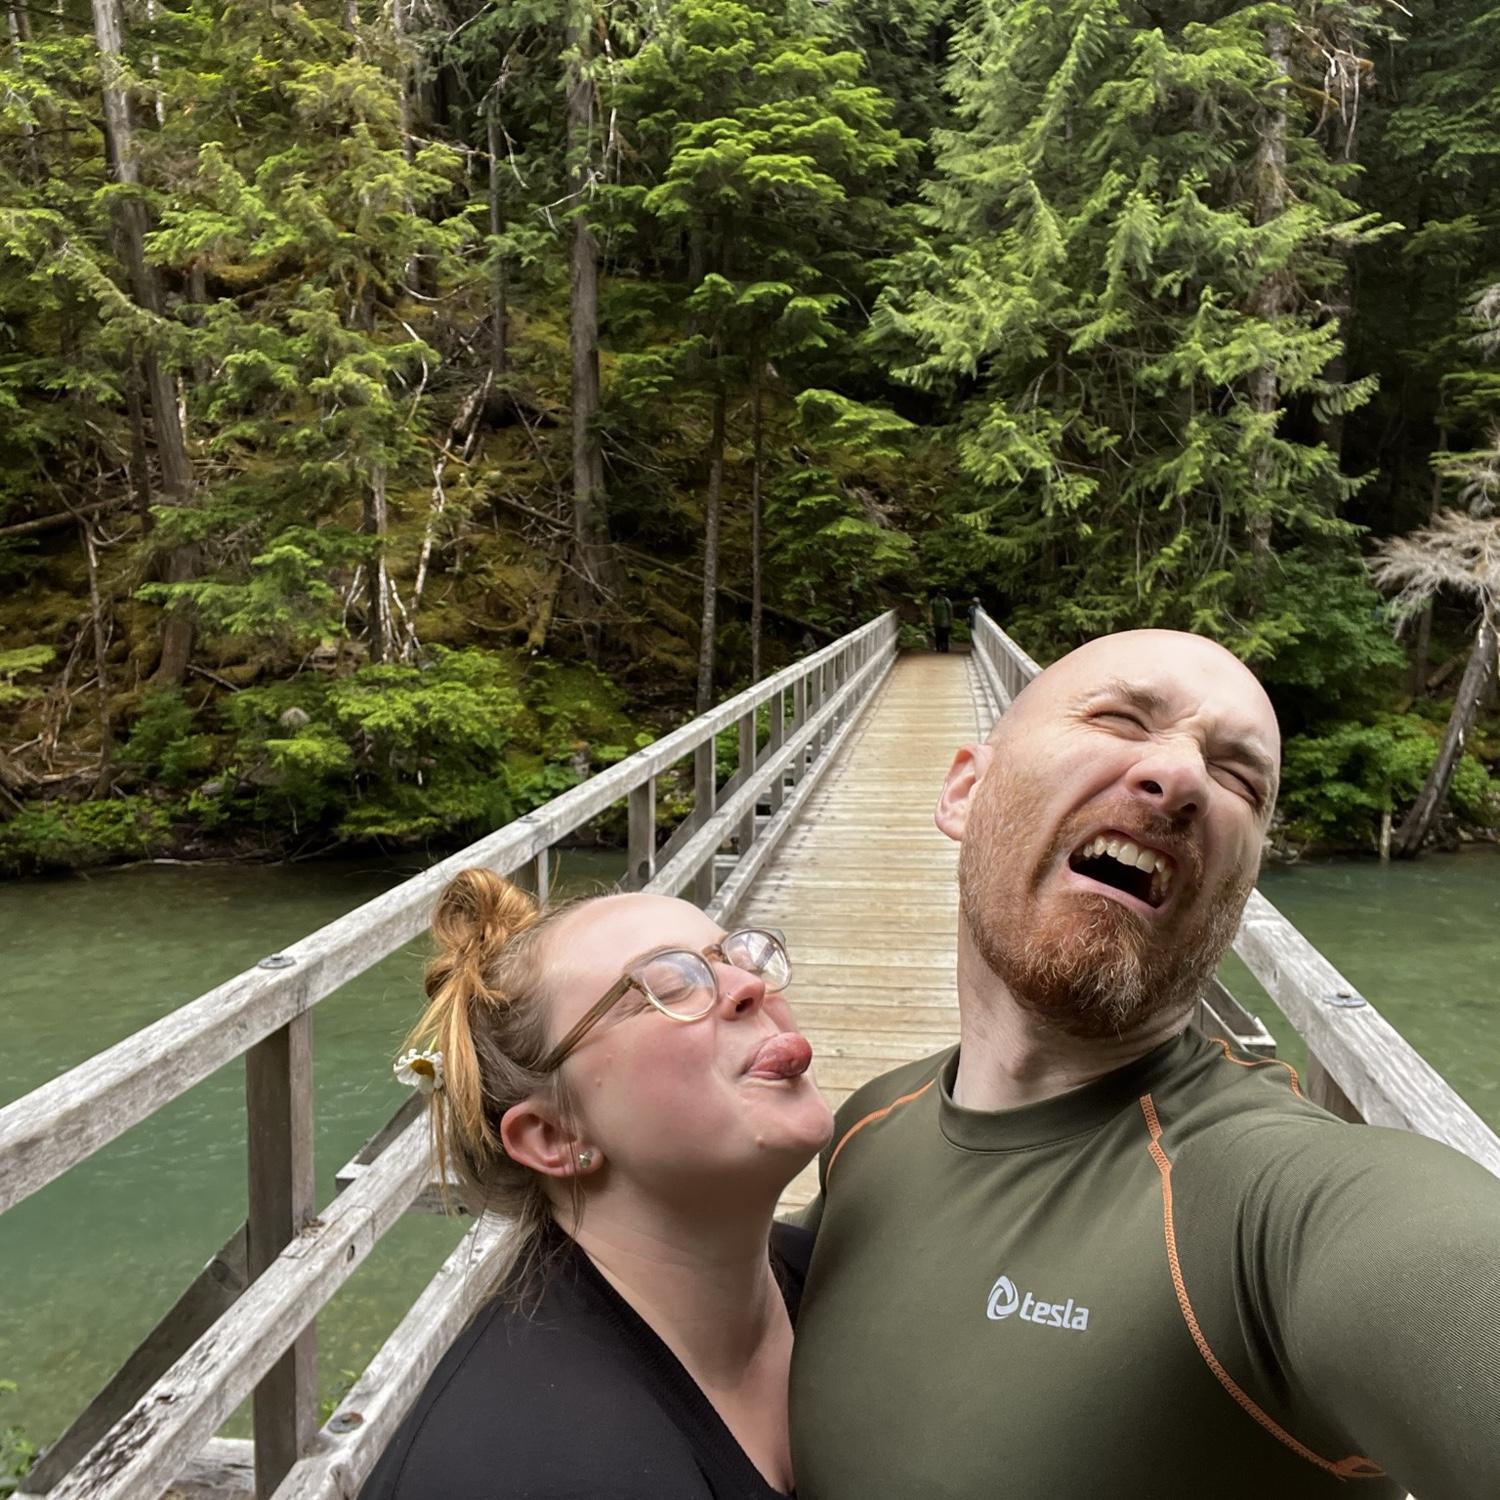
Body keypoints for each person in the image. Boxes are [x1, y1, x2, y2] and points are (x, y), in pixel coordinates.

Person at [789, 629, 1500, 1500]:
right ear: (965, 792)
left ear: (1240, 888)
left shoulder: (1264, 1205)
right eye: (1121, 720)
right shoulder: (868, 1126)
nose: (1183, 777)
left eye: (1240, 777)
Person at [361, 871, 833, 1500]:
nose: (751, 986)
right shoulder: (526, 1469)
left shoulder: (842, 1286)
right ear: (554, 1137)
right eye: (670, 985)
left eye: (738, 957)